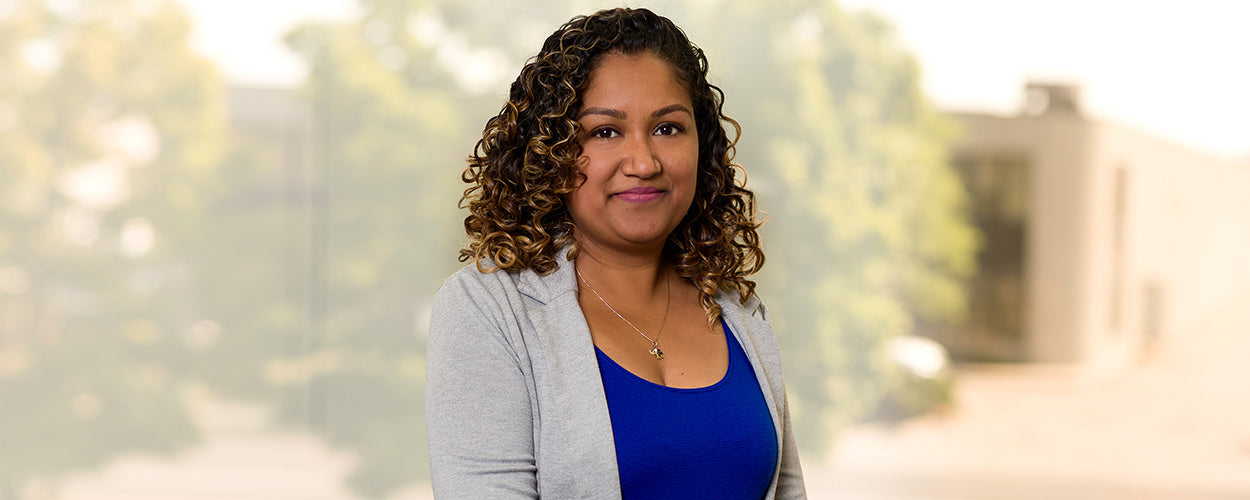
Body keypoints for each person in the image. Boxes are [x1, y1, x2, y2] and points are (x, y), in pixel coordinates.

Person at [426, 7, 806, 499]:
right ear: (551, 151)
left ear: (702, 145)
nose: (644, 162)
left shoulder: (739, 310)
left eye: (668, 128)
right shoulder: (489, 311)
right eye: (605, 132)